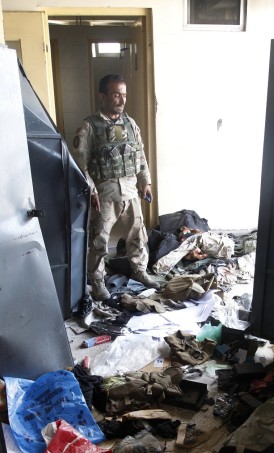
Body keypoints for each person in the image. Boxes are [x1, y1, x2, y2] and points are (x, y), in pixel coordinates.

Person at [73, 73, 159, 301]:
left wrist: (145, 182)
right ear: (103, 97)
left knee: (137, 235)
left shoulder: (131, 124)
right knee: (99, 241)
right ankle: (98, 281)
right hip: (105, 193)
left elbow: (140, 155)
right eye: (116, 95)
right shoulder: (90, 126)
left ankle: (140, 271)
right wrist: (91, 188)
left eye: (124, 95)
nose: (121, 101)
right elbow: (81, 162)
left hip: (131, 191)